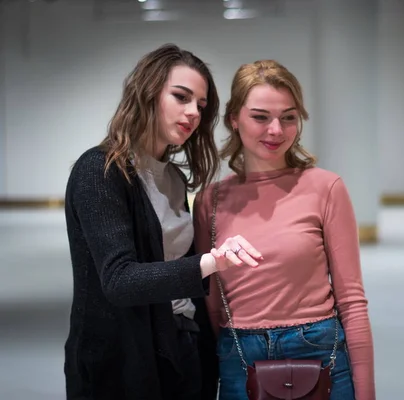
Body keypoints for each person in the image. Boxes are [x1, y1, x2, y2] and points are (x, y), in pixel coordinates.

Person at [63, 44, 262, 400]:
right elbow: (119, 280)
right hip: (123, 363)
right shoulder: (99, 171)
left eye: (200, 106)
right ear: (148, 92)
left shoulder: (172, 177)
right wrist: (211, 262)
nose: (192, 113)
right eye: (181, 97)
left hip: (180, 348)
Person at [193, 60, 376, 400]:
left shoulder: (326, 188)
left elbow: (351, 301)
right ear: (234, 120)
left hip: (317, 350)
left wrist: (366, 393)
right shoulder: (211, 201)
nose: (276, 130)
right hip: (238, 353)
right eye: (261, 117)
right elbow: (212, 301)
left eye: (288, 117)